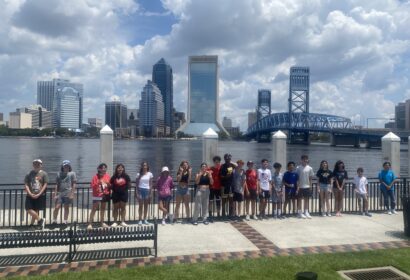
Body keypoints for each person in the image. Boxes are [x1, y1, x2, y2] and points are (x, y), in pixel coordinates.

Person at [25, 159, 48, 230]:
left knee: (36, 210)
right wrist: (30, 193)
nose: (36, 165)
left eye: (38, 164)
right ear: (33, 165)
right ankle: (40, 220)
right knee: (28, 209)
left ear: (41, 165)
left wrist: (39, 194)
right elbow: (26, 184)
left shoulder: (44, 174)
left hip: (40, 195)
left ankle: (32, 225)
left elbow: (45, 184)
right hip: (30, 195)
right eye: (35, 164)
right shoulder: (29, 174)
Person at [52, 160, 77, 228]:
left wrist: (72, 194)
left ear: (69, 166)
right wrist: (55, 193)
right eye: (65, 166)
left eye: (67, 166)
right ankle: (54, 220)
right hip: (60, 193)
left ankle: (65, 221)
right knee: (57, 207)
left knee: (66, 207)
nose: (66, 167)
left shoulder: (72, 173)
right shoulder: (58, 174)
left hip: (68, 192)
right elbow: (57, 185)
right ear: (62, 167)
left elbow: (74, 185)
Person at [87, 163, 111, 230]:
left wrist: (108, 183)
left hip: (104, 194)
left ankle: (102, 222)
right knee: (94, 209)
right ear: (99, 169)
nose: (104, 169)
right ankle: (90, 223)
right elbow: (92, 186)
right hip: (96, 195)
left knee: (103, 209)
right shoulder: (95, 177)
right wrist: (98, 182)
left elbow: (109, 185)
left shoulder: (107, 176)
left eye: (105, 168)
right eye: (102, 168)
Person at [219, 154, 236, 218]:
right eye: (226, 158)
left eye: (229, 158)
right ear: (224, 159)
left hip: (231, 185)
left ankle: (230, 214)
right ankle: (223, 214)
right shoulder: (222, 166)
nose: (228, 159)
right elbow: (221, 176)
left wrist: (230, 162)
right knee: (224, 200)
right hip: (224, 186)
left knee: (231, 200)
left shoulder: (232, 165)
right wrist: (226, 176)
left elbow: (237, 165)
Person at [209, 156, 222, 221]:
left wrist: (230, 162)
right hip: (211, 188)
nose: (217, 163)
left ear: (220, 162)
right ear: (214, 162)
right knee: (210, 201)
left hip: (218, 188)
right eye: (216, 162)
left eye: (218, 162)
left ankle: (219, 214)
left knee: (218, 201)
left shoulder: (221, 168)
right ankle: (210, 214)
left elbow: (231, 168)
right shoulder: (210, 169)